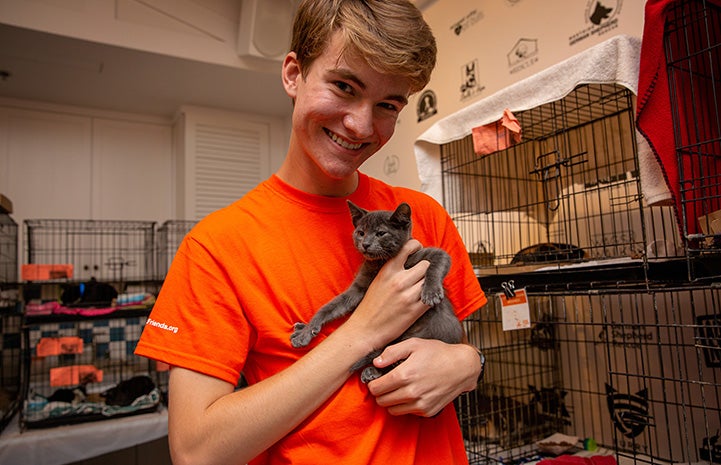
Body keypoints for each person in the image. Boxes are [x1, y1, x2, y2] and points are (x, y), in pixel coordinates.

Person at [134, 1, 487, 464]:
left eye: (387, 105)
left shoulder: (422, 215)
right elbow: (196, 452)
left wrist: (469, 363)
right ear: (293, 75)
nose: (361, 125)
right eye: (344, 86)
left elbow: (459, 347)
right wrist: (360, 333)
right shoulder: (216, 246)